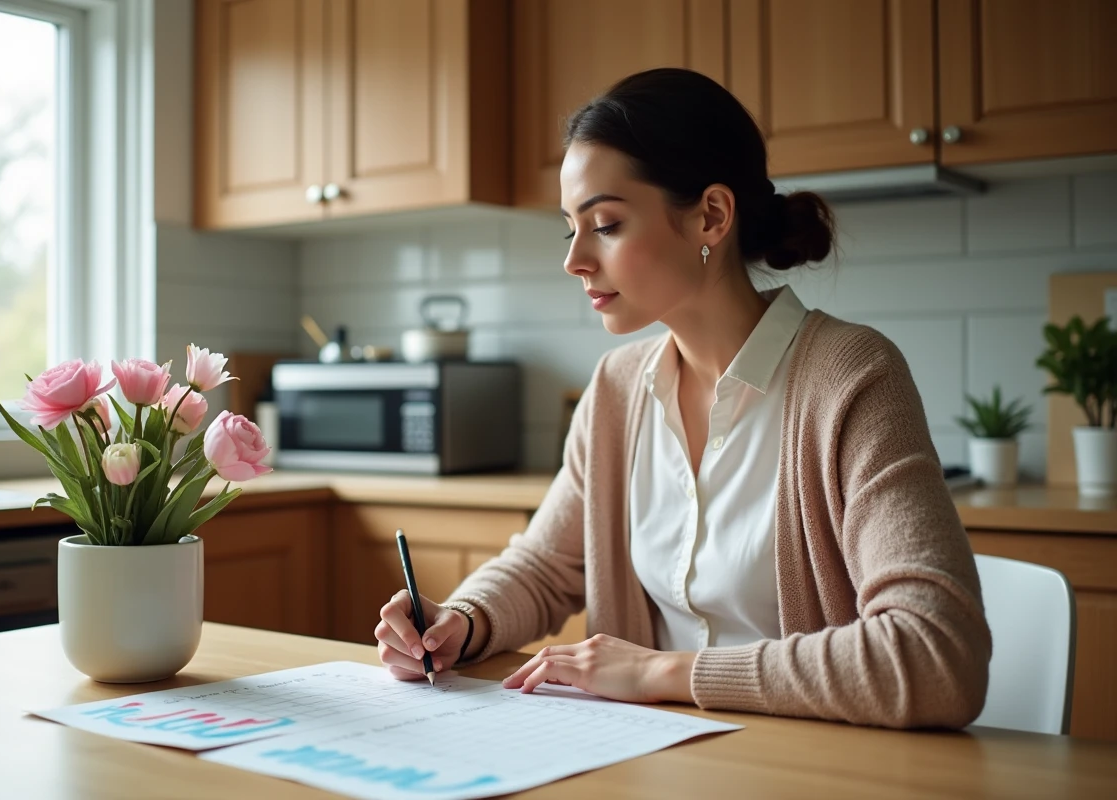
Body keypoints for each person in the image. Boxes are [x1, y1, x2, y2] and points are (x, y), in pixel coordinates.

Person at [374, 68, 991, 729]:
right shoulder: (616, 389)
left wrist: (659, 673)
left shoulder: (851, 379)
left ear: (711, 216)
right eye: (569, 229)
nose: (574, 259)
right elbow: (546, 566)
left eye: (605, 224)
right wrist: (458, 624)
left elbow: (937, 656)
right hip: (648, 759)